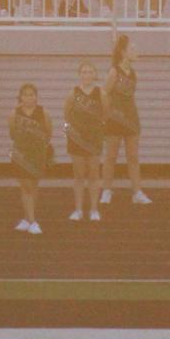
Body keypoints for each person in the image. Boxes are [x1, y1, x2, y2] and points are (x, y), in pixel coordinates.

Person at [101, 34, 148, 208]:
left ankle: (137, 192)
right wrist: (105, 118)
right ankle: (106, 190)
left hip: (131, 119)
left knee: (133, 157)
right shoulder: (114, 71)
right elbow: (104, 94)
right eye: (132, 48)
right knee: (111, 157)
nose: (136, 51)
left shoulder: (133, 73)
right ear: (123, 52)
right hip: (114, 120)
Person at [64, 59, 105, 222]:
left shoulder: (101, 93)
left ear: (95, 75)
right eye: (84, 72)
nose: (87, 75)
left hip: (94, 138)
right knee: (79, 175)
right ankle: (78, 209)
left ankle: (94, 209)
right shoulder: (73, 93)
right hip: (77, 139)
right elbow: (66, 113)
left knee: (94, 174)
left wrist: (97, 130)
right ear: (79, 75)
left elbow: (105, 113)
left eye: (90, 72)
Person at [9, 81, 52, 235]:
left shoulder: (44, 112)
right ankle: (33, 221)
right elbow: (12, 133)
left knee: (33, 187)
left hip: (37, 155)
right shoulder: (14, 113)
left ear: (36, 97)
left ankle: (27, 219)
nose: (29, 97)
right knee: (25, 186)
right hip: (20, 155)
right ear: (20, 97)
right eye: (25, 95)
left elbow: (48, 133)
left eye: (31, 95)